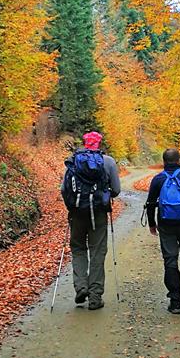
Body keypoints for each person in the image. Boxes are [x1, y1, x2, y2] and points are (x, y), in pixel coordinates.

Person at [61, 131, 121, 310]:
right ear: (99, 143)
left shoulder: (73, 161)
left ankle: (80, 287)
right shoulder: (108, 161)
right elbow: (116, 190)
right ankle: (95, 297)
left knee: (78, 249)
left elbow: (64, 189)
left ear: (85, 143)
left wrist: (71, 207)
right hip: (99, 214)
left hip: (77, 213)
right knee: (97, 252)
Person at [145, 148, 180, 314]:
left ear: (164, 162)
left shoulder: (158, 179)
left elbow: (150, 203)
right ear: (179, 160)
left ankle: (175, 301)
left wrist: (152, 224)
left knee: (170, 260)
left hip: (165, 224)